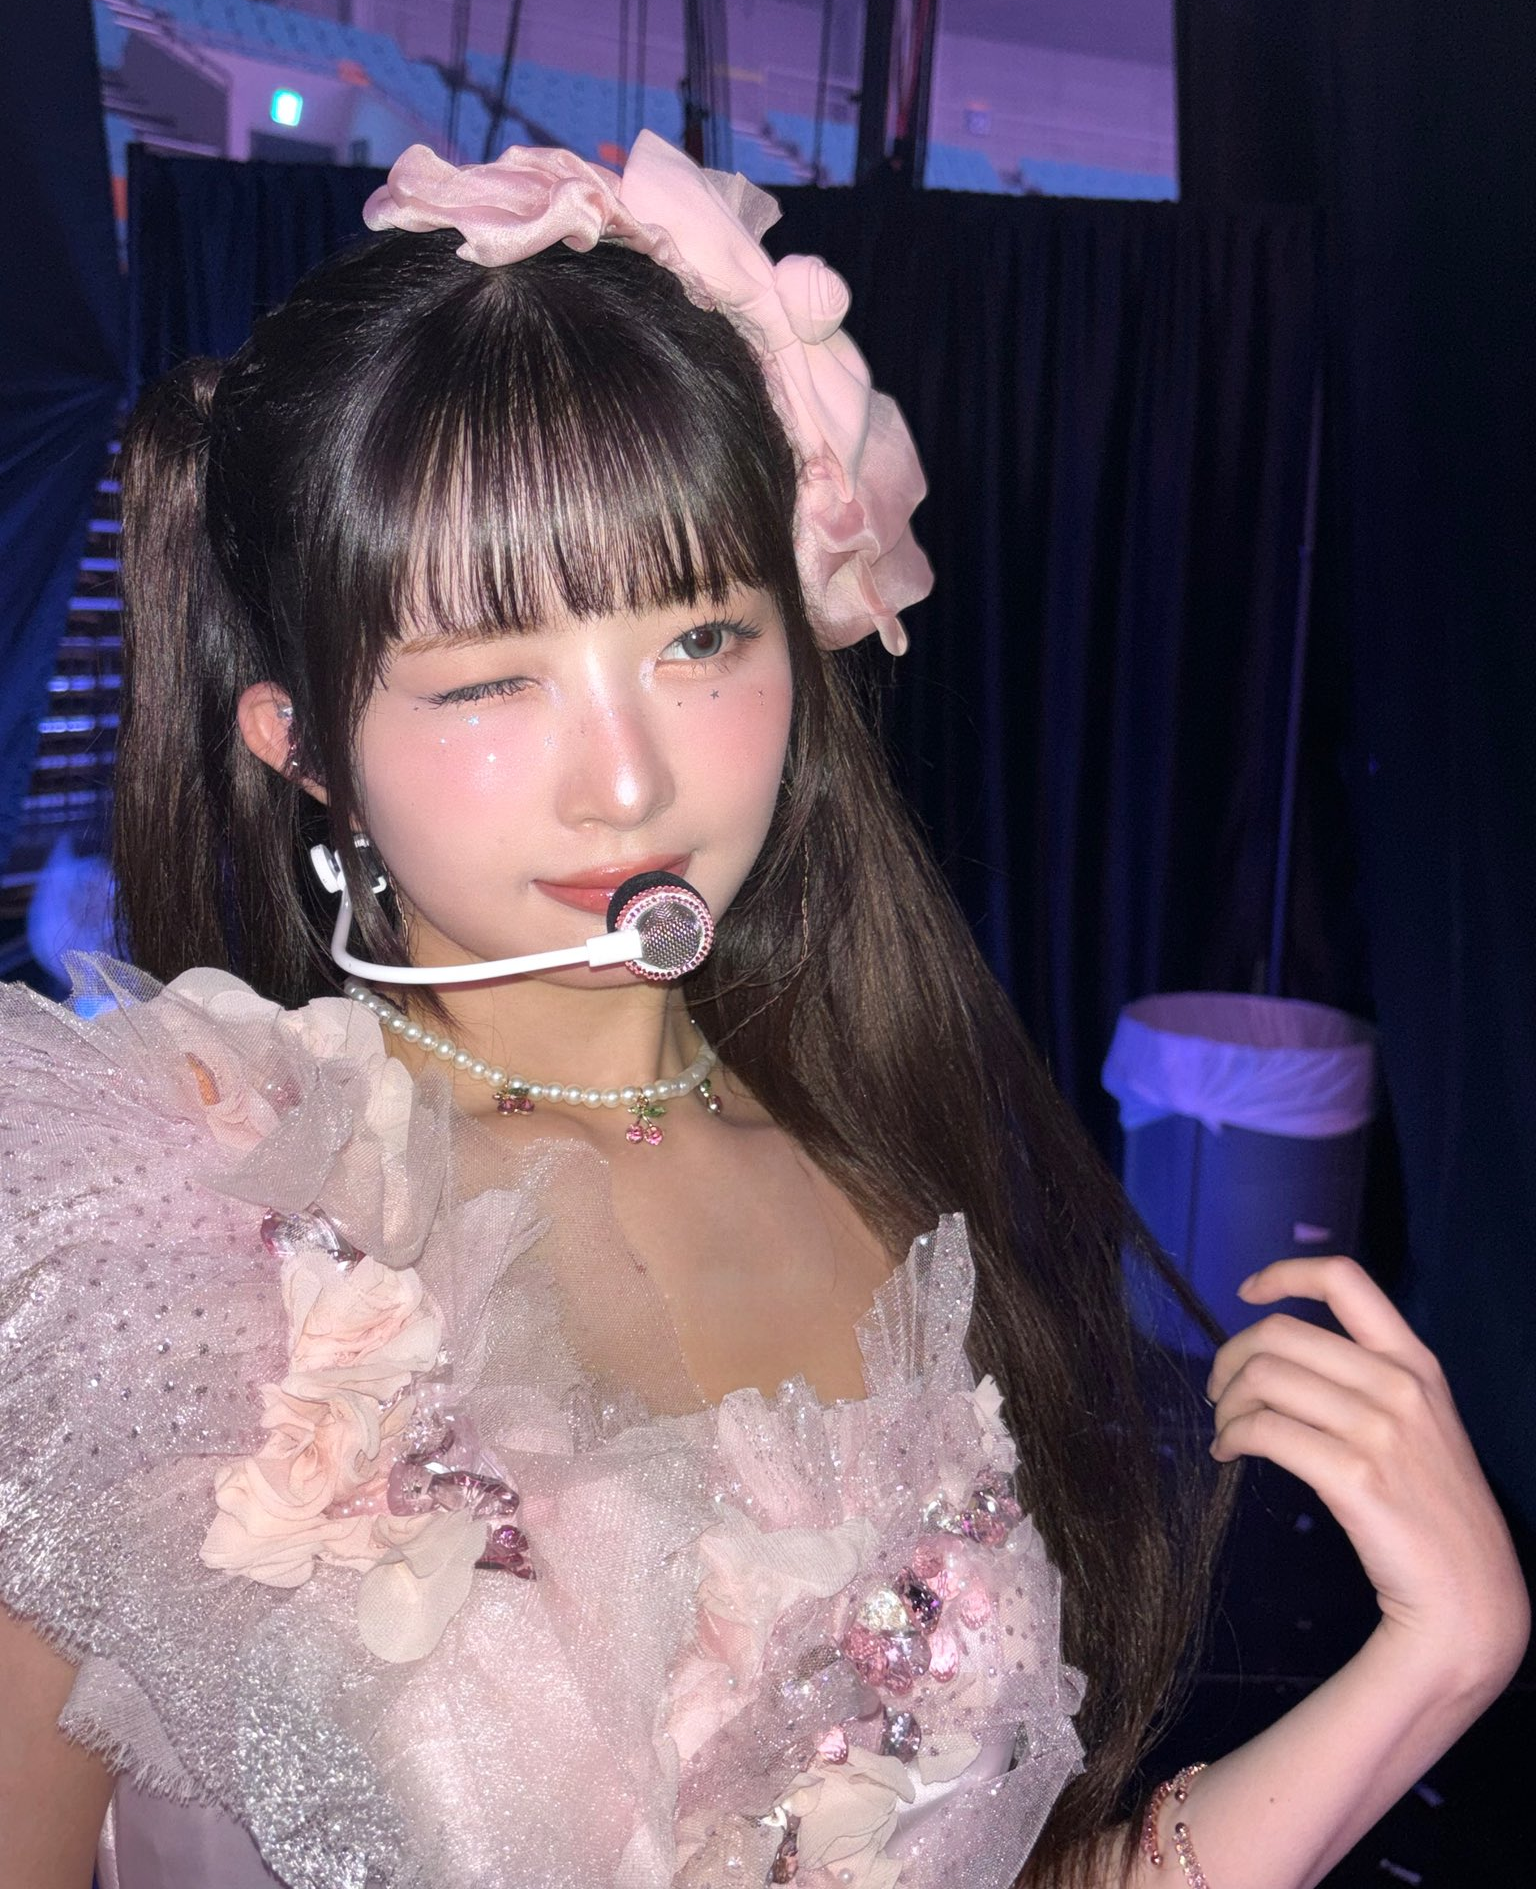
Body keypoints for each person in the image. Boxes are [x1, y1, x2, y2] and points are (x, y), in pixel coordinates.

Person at [0, 130, 1525, 1889]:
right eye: (491, 679)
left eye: (698, 640)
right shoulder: (171, 1227)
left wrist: (1438, 1662)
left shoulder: (885, 1180)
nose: (627, 784)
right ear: (304, 748)